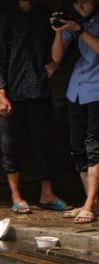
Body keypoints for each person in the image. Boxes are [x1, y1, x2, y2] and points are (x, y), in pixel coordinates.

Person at [0, 0, 70, 214]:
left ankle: (47, 193)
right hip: (12, 93)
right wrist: (1, 92)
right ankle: (16, 196)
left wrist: (55, 64)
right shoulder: (5, 21)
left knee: (44, 143)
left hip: (39, 90)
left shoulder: (45, 18)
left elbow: (63, 48)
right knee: (11, 145)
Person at [52, 0, 99, 223]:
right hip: (77, 89)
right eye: (76, 1)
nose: (80, 5)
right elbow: (56, 57)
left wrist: (79, 30)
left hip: (97, 90)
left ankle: (90, 204)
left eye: (85, 1)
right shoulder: (77, 22)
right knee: (78, 147)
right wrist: (59, 31)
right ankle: (89, 202)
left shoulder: (88, 25)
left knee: (94, 147)